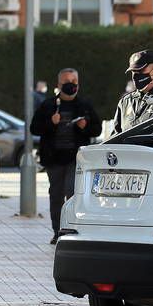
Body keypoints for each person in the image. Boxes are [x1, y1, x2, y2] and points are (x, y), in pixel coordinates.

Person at [31, 68, 102, 244]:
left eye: (74, 81)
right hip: (53, 159)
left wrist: (85, 126)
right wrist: (50, 123)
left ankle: (72, 229)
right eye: (66, 82)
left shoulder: (85, 105)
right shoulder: (48, 105)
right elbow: (34, 128)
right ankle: (57, 231)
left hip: (76, 159)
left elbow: (97, 129)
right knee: (56, 195)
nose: (70, 85)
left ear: (78, 84)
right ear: (58, 84)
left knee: (72, 193)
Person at [113, 49, 153, 134]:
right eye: (133, 71)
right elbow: (116, 138)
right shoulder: (125, 102)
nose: (135, 76)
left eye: (140, 71)